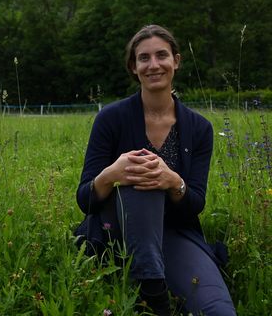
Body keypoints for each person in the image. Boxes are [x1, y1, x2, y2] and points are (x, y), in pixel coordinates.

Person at [74, 25, 236, 315]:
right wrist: (112, 174)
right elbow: (85, 199)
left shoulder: (199, 128)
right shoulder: (111, 119)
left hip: (172, 232)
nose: (153, 65)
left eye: (161, 55)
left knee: (217, 309)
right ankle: (154, 294)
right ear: (133, 68)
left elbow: (194, 203)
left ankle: (154, 283)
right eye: (143, 58)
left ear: (176, 60)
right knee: (141, 175)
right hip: (116, 232)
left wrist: (174, 181)